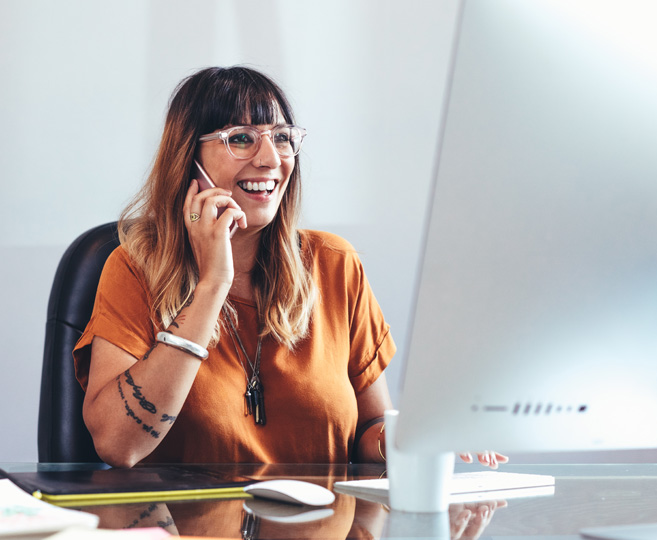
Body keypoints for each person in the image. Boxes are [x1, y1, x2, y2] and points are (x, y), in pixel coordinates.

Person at [73, 65, 507, 469]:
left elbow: (367, 430)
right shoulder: (134, 268)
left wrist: (408, 437)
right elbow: (118, 444)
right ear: (189, 158)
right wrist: (212, 286)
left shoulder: (335, 266)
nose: (270, 159)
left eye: (282, 137)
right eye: (241, 138)